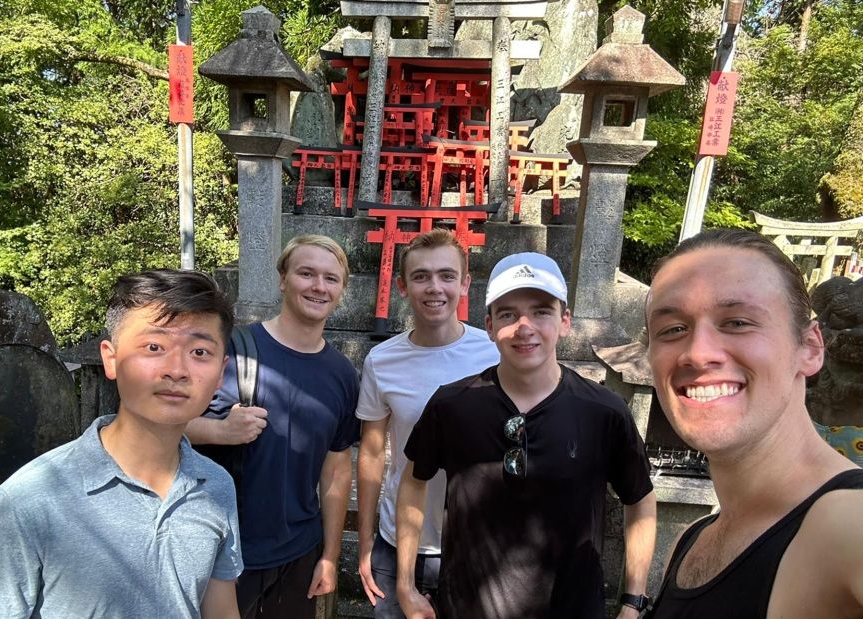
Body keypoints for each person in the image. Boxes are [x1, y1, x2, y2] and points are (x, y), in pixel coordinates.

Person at [0, 269, 243, 618]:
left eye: (199, 352)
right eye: (154, 347)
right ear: (111, 358)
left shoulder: (216, 486)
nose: (177, 370)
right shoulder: (26, 501)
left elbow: (221, 609)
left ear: (220, 371)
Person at [396, 252, 657, 619]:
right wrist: (405, 584)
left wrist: (633, 602)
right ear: (488, 326)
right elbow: (412, 482)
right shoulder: (452, 405)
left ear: (565, 321)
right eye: (507, 314)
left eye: (541, 311)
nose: (524, 326)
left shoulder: (604, 411)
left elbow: (640, 498)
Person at [643, 229, 863, 618]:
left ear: (810, 348)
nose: (697, 353)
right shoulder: (688, 543)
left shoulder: (847, 524)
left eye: (737, 322)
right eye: (673, 329)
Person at [186, 234, 360, 619]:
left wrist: (330, 556)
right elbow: (159, 426)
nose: (318, 286)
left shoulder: (342, 374)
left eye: (331, 279)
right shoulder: (230, 349)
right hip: (223, 554)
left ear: (341, 290)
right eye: (306, 273)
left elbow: (336, 469)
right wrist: (218, 431)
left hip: (299, 552)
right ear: (283, 279)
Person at [356, 229, 500, 618]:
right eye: (421, 276)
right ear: (402, 286)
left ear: (465, 283)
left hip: (473, 541)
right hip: (396, 541)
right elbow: (371, 452)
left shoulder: (494, 354)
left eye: (446, 275)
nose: (434, 287)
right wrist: (365, 541)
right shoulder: (381, 360)